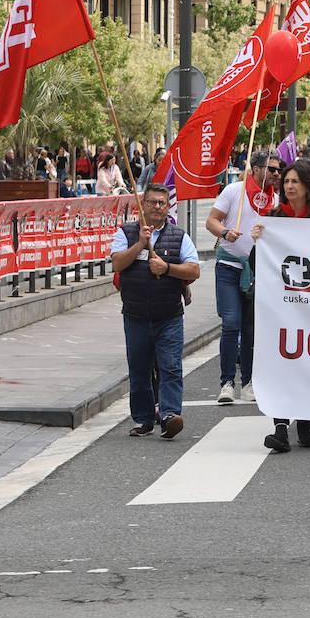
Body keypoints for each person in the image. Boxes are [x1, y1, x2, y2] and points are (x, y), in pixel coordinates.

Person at [248, 162, 310, 452]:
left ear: (308, 185)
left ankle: (307, 421)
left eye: (295, 181)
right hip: (281, 308)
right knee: (280, 365)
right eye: (286, 181)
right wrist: (258, 242)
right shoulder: (273, 219)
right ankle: (281, 428)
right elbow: (255, 263)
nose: (289, 186)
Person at [109, 183, 199, 439]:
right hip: (135, 315)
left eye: (162, 203)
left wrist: (167, 269)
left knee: (170, 367)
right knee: (139, 369)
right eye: (152, 202)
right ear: (143, 205)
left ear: (167, 207)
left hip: (169, 316)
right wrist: (139, 244)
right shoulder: (126, 233)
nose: (158, 207)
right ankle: (143, 419)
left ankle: (170, 415)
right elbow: (117, 263)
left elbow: (194, 270)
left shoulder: (179, 236)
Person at [205, 150, 282, 403]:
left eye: (278, 170)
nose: (276, 174)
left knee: (251, 328)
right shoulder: (234, 191)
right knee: (231, 323)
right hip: (229, 267)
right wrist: (225, 231)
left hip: (257, 271)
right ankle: (227, 382)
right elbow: (212, 221)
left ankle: (248, 382)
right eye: (271, 169)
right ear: (256, 169)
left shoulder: (277, 200)